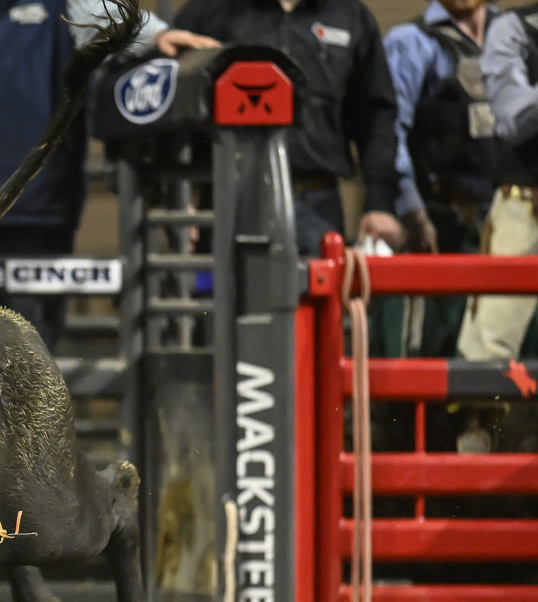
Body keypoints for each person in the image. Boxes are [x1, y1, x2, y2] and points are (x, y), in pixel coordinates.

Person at [0, 0, 217, 350]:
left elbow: (112, 20)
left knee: (33, 349)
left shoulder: (61, 4)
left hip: (42, 207)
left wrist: (158, 34)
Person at [170, 0, 405, 258]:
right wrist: (174, 199)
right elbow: (168, 109)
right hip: (225, 201)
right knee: (219, 294)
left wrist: (380, 204)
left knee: (318, 294)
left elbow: (376, 117)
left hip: (317, 203)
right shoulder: (209, 11)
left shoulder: (349, 15)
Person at [381, 0, 500, 359]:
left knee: (502, 352)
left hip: (509, 217)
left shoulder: (515, 36)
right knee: (434, 345)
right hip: (441, 219)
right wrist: (412, 211)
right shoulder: (411, 41)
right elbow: (389, 133)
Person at [456, 2, 538, 364]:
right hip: (527, 204)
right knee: (488, 347)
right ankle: (479, 420)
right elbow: (510, 116)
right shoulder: (515, 27)